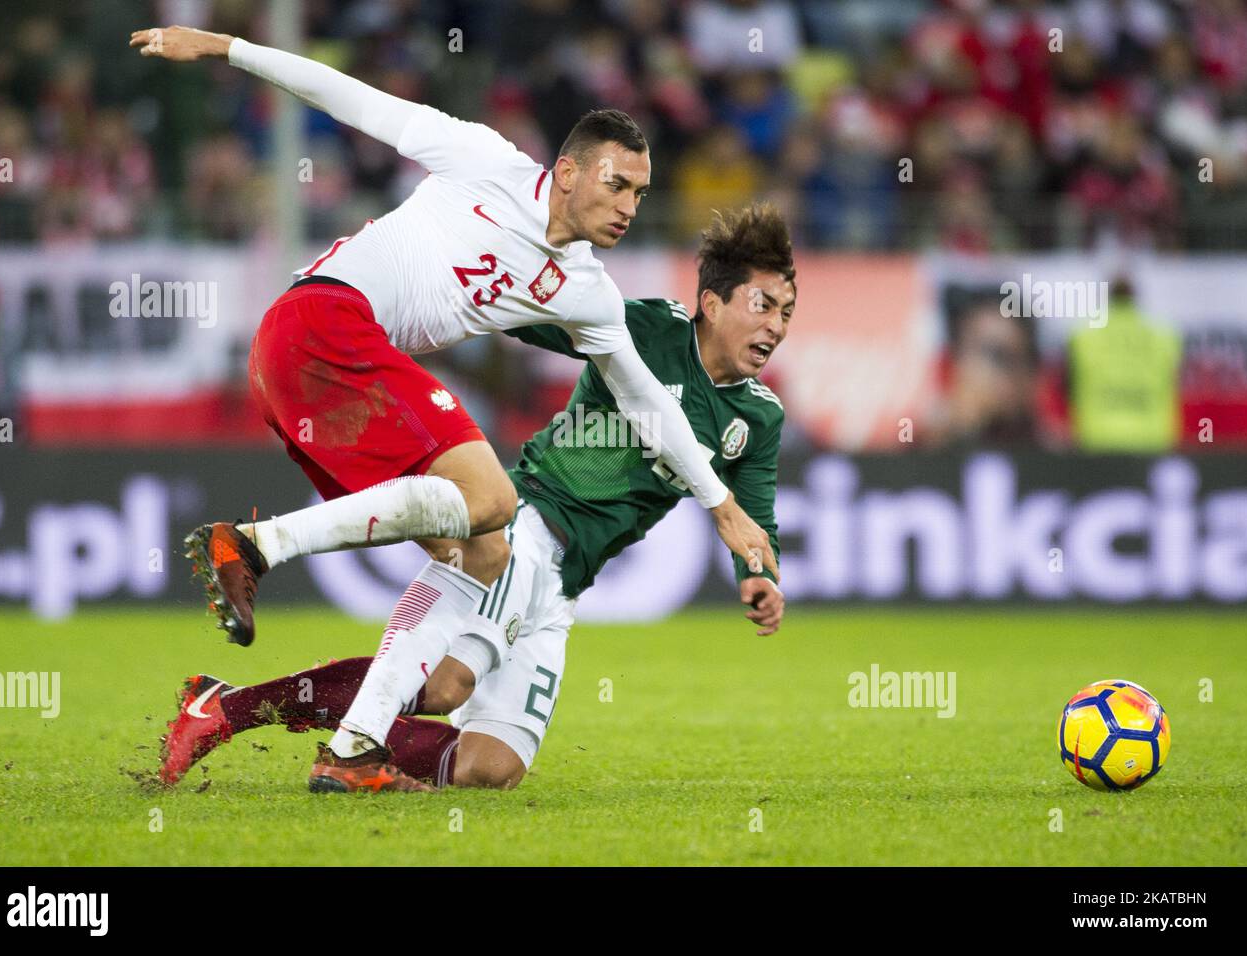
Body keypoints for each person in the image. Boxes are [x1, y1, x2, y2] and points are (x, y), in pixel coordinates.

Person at [127, 27, 776, 653]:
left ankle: (352, 738)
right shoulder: (485, 159)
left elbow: (643, 399)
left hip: (311, 366)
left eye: (640, 192)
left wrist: (721, 506)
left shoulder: (587, 292)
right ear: (570, 171)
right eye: (617, 184)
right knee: (493, 498)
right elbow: (354, 99)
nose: (629, 206)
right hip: (321, 320)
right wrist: (225, 47)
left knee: (482, 554)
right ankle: (254, 545)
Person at [158, 204, 794, 792]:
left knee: (492, 768)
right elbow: (536, 318)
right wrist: (469, 292)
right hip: (528, 528)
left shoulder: (759, 417)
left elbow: (753, 515)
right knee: (444, 686)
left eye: (787, 312)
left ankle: (332, 738)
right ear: (712, 301)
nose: (776, 325)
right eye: (764, 305)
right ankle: (244, 715)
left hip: (569, 580)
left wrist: (757, 575)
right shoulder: (648, 329)